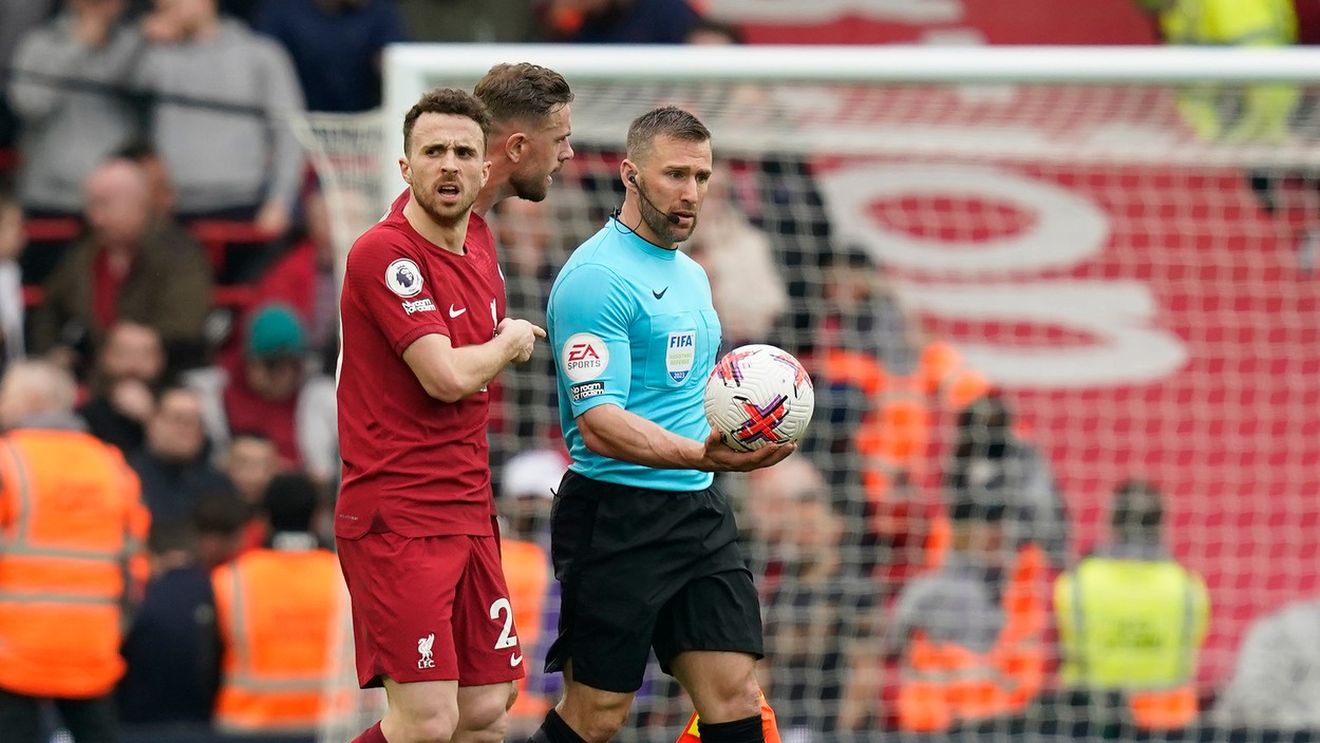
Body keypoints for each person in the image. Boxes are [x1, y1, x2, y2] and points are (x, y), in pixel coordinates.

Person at [535, 106, 792, 743]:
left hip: (698, 513)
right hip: (617, 517)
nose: (691, 193)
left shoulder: (694, 275)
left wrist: (754, 420)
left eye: (702, 177)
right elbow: (599, 424)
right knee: (598, 716)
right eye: (675, 173)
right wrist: (705, 456)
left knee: (734, 695)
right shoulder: (595, 280)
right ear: (629, 175)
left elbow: (690, 391)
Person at [334, 88, 546, 743]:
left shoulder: (480, 240)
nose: (448, 164)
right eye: (432, 152)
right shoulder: (386, 255)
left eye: (462, 152)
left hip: (469, 510)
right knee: (427, 721)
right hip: (400, 515)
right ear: (405, 168)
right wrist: (509, 343)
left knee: (484, 707)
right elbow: (447, 376)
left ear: (485, 170)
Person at [0, 359, 149, 743]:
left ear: (32, 400)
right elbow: (135, 567)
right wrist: (115, 629)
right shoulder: (112, 466)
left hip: (11, 654)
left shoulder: (7, 461)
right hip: (91, 649)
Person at [28, 156, 213, 374]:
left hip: (164, 376)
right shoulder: (85, 252)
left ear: (138, 204)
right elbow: (50, 310)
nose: (95, 217)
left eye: (103, 204)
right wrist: (51, 353)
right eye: (91, 205)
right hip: (93, 377)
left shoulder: (178, 252)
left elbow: (184, 325)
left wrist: (137, 348)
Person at [883, 495, 1049, 733]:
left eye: (998, 524)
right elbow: (892, 645)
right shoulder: (927, 591)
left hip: (993, 722)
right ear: (960, 534)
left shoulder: (1014, 590)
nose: (998, 533)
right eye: (987, 525)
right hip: (935, 725)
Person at [1053, 479, 1208, 732]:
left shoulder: (1076, 584)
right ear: (1161, 524)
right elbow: (1191, 651)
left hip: (1094, 723)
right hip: (1169, 727)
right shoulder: (1188, 588)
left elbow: (1064, 649)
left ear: (1112, 521)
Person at [212, 472, 341, 733]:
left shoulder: (232, 578)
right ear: (317, 517)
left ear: (264, 519)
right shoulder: (345, 576)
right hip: (332, 725)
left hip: (249, 728)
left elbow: (207, 662)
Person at [6, 0, 143, 217]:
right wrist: (78, 45)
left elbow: (145, 84)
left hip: (119, 201)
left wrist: (146, 37)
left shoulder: (140, 42)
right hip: (50, 198)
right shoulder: (41, 42)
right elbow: (30, 103)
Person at [471, 61, 575, 217]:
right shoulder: (434, 232)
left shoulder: (472, 230)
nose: (568, 153)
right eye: (559, 140)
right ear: (516, 148)